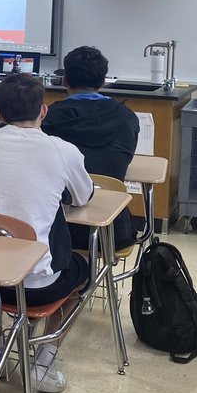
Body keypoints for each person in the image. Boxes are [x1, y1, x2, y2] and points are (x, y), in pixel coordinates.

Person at [0, 72, 93, 393]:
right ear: (43, 111)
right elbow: (82, 197)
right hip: (36, 288)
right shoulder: (62, 150)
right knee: (82, 272)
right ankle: (43, 361)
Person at [42, 45, 139, 250]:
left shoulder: (46, 118)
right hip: (111, 231)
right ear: (103, 82)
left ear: (65, 80)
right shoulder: (127, 118)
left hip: (53, 230)